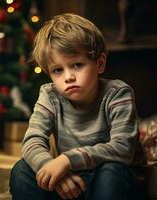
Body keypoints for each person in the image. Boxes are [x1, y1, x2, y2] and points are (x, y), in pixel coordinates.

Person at [9, 13, 144, 200]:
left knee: (111, 170)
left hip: (110, 181)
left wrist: (67, 160)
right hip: (71, 182)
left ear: (100, 63)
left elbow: (123, 148)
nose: (68, 77)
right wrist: (55, 173)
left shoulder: (117, 93)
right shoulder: (50, 95)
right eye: (58, 70)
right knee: (21, 171)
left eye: (77, 65)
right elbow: (32, 141)